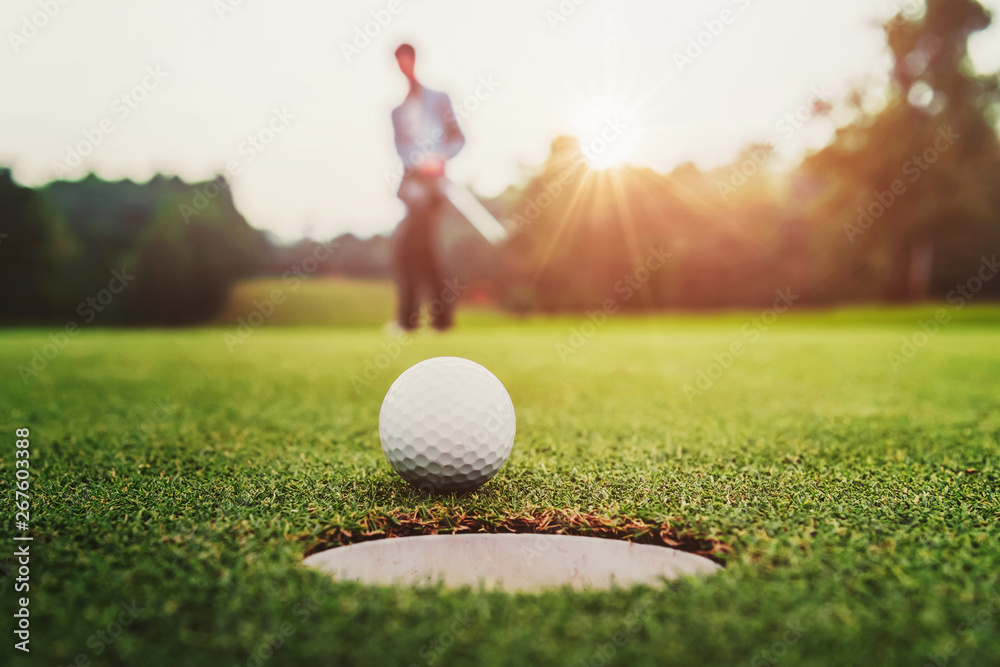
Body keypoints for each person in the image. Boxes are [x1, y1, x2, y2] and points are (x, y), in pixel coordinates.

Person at [390, 43, 465, 331]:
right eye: (399, 63)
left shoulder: (439, 99)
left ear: (414, 61)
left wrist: (439, 157)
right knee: (419, 252)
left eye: (406, 61)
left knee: (409, 251)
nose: (403, 67)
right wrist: (417, 162)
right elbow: (401, 148)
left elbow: (458, 138)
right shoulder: (397, 111)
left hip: (434, 188)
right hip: (412, 187)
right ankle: (438, 322)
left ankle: (413, 323)